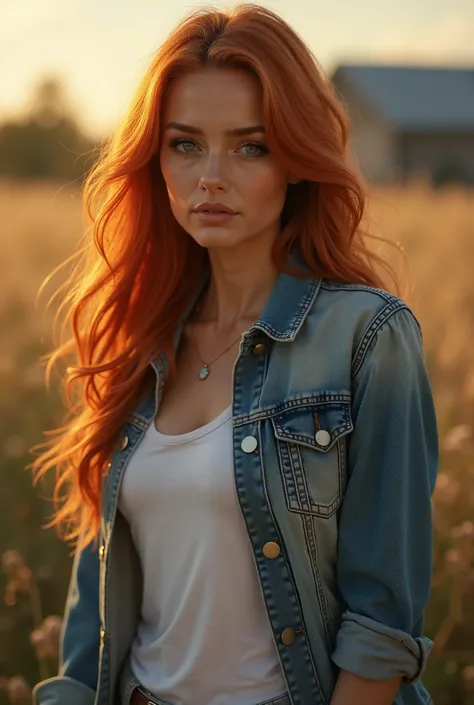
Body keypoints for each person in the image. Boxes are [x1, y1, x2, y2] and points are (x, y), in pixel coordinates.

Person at [31, 4, 438, 705]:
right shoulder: (136, 343)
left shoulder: (368, 338)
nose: (210, 176)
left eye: (250, 146)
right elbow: (92, 619)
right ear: (154, 158)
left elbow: (382, 626)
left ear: (298, 162)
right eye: (185, 144)